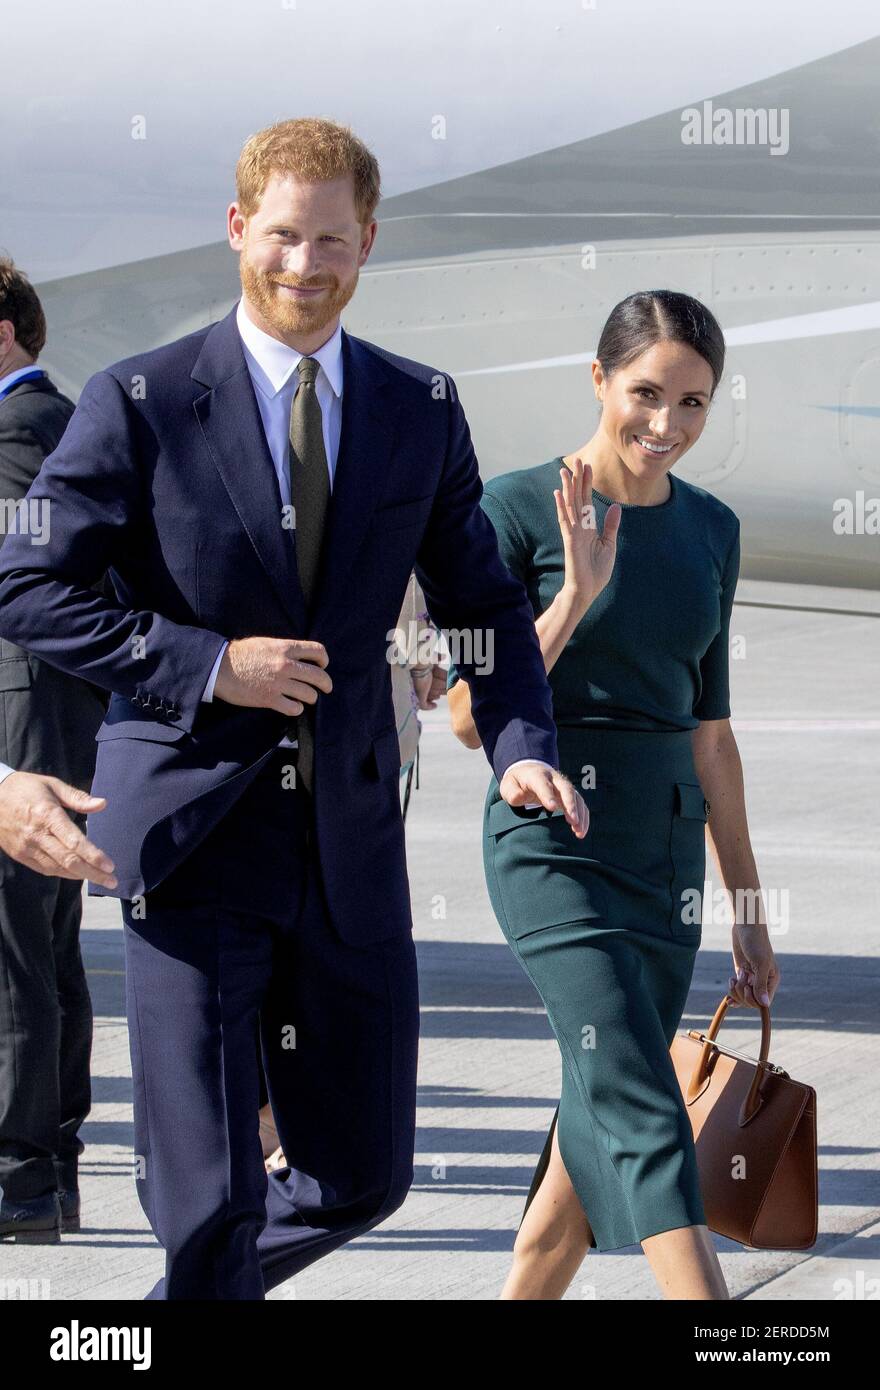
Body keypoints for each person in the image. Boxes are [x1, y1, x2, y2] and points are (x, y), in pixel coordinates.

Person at [0, 117, 586, 1299]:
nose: (304, 265)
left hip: (348, 852)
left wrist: (521, 747)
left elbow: (483, 605)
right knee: (206, 1204)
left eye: (331, 239)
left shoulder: (416, 406)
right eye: (281, 235)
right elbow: (23, 581)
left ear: (368, 242)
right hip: (193, 846)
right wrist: (204, 664)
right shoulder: (142, 399)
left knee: (363, 1173)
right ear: (235, 231)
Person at [447, 290, 781, 1300]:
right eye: (645, 393)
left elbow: (711, 737)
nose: (665, 425)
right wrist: (573, 596)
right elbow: (468, 718)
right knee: (641, 1100)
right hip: (552, 844)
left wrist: (748, 908)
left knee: (593, 1126)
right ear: (597, 380)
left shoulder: (711, 530)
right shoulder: (510, 509)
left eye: (692, 404)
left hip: (665, 857)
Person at [0, 260, 114, 1246]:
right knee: (47, 945)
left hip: (19, 721)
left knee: (10, 953)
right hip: (56, 720)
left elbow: (25, 583)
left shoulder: (14, 431)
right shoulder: (65, 419)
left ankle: (17, 1178)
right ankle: (52, 1172)